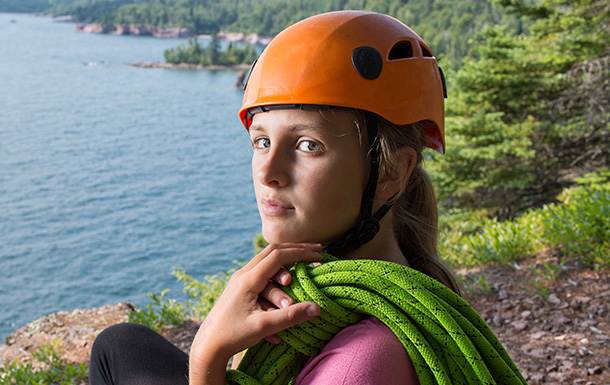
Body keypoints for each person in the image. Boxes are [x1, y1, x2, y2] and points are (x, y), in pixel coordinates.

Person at [90, 10, 524, 385]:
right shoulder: (380, 299)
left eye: (307, 146)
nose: (267, 171)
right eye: (261, 142)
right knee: (121, 344)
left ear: (391, 173)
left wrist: (208, 356)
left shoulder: (359, 366)